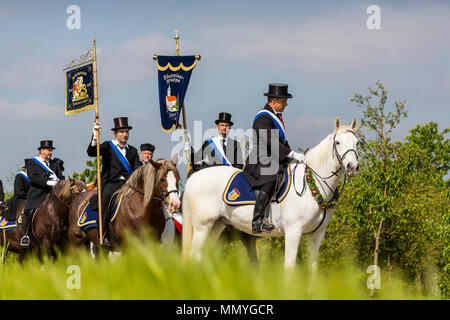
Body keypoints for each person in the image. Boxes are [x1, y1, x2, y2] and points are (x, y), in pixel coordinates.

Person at [244, 83, 305, 234]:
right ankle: (257, 221)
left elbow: (281, 142)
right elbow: (270, 141)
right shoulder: (263, 118)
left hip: (275, 157)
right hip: (260, 159)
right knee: (270, 177)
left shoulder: (276, 117)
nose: (286, 103)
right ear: (274, 101)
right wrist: (291, 154)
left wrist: (293, 157)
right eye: (284, 100)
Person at [88, 117, 140, 245]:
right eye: (122, 132)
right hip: (111, 183)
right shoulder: (107, 146)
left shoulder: (133, 150)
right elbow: (91, 152)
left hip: (128, 184)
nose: (125, 134)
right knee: (105, 199)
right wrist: (95, 136)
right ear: (115, 133)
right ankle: (102, 233)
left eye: (126, 132)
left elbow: (136, 168)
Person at [21, 141, 65, 246]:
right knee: (28, 210)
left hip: (53, 195)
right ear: (42, 150)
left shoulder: (55, 164)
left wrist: (59, 182)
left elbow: (61, 177)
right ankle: (25, 235)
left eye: (51, 151)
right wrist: (47, 182)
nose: (50, 153)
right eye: (49, 150)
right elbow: (32, 178)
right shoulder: (32, 162)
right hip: (38, 193)